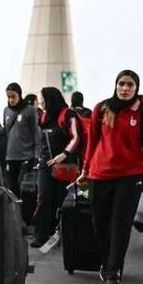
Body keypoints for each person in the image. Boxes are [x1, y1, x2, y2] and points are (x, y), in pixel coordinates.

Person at [78, 69, 143, 284]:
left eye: (130, 85)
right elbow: (92, 143)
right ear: (115, 85)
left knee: (121, 224)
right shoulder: (102, 108)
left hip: (130, 175)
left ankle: (113, 271)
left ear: (136, 88)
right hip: (100, 174)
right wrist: (85, 170)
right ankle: (106, 262)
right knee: (100, 224)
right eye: (122, 84)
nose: (125, 89)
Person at [33, 87, 83, 247]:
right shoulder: (44, 116)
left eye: (43, 98)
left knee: (62, 200)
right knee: (43, 198)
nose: (40, 102)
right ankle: (41, 235)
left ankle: (63, 233)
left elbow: (76, 138)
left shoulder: (68, 114)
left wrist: (64, 154)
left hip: (65, 165)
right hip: (45, 164)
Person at [0, 83, 39, 199]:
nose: (11, 100)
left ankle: (25, 212)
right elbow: (5, 129)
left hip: (27, 156)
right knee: (12, 187)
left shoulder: (30, 111)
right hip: (11, 156)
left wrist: (36, 156)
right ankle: (14, 212)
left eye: (13, 96)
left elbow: (36, 133)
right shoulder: (6, 110)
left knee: (24, 186)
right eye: (8, 97)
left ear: (19, 95)